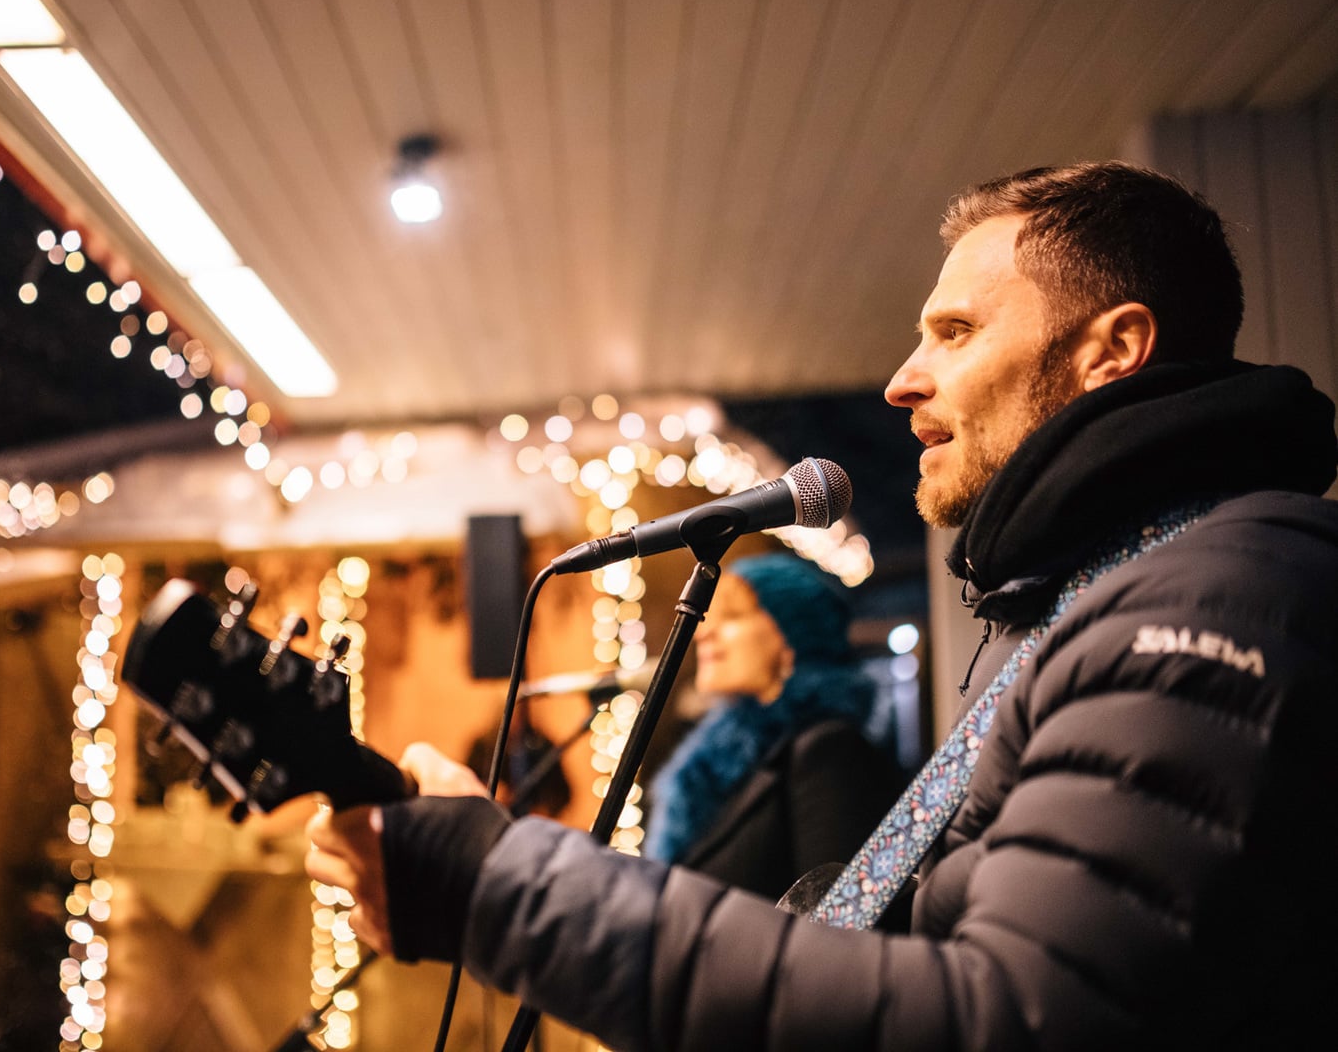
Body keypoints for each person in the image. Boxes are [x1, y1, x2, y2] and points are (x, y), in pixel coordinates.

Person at [304, 161, 1338, 1049]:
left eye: (954, 331)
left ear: (1110, 351)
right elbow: (911, 941)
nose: (901, 379)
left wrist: (499, 891)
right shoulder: (1085, 600)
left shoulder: (1216, 601)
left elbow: (1005, 1018)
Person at [641, 551, 903, 902]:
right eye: (709, 618)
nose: (705, 633)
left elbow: (837, 926)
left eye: (731, 616)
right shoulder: (725, 764)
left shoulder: (828, 752)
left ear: (791, 638)